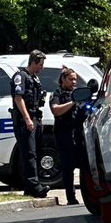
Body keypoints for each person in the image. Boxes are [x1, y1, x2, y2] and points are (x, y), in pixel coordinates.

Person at [11, 49, 47, 198]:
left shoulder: (34, 78)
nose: (41, 67)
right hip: (24, 120)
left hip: (35, 118)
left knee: (36, 152)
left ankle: (31, 186)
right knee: (29, 153)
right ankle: (34, 186)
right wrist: (27, 119)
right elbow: (18, 99)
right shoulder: (20, 77)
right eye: (40, 64)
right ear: (33, 62)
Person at [48, 66, 79, 206]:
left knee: (84, 164)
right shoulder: (57, 94)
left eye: (75, 80)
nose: (74, 82)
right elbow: (56, 110)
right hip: (63, 133)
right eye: (71, 79)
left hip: (78, 132)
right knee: (68, 166)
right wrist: (73, 103)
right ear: (63, 79)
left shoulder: (77, 93)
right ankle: (70, 197)